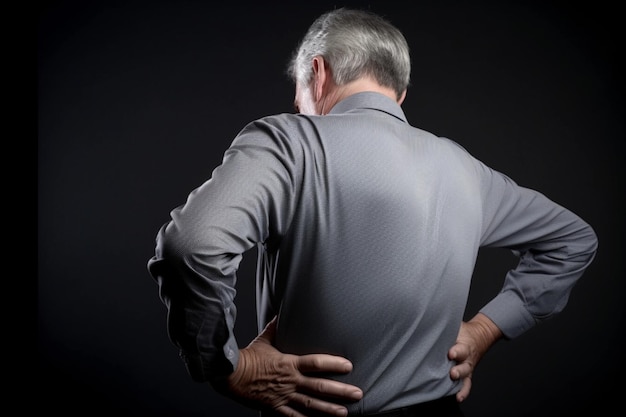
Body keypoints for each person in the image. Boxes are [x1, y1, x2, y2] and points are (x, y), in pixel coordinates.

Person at [147, 7, 598, 417]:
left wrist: (227, 366)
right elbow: (572, 239)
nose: (297, 107)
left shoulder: (290, 142)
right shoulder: (465, 169)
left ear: (318, 74)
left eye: (298, 94)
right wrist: (485, 329)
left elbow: (193, 245)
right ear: (398, 94)